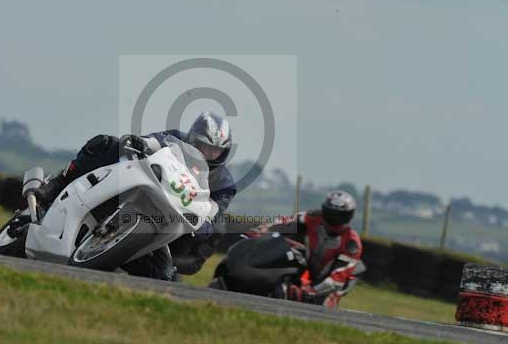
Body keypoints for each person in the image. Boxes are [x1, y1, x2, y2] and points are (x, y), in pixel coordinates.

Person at [34, 111, 237, 280]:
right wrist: (139, 143)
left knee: (165, 276)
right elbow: (152, 142)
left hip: (169, 223)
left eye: (215, 151)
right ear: (193, 138)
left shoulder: (225, 183)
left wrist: (205, 224)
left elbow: (215, 210)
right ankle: (56, 184)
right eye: (204, 146)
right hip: (146, 189)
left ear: (224, 152)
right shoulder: (176, 138)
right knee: (105, 143)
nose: (209, 153)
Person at [247, 190, 363, 308]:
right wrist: (262, 229)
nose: (332, 221)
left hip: (327, 286)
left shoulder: (351, 244)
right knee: (289, 250)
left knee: (321, 307)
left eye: (338, 217)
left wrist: (310, 290)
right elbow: (286, 221)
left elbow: (336, 280)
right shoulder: (312, 217)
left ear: (348, 216)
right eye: (330, 214)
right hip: (306, 267)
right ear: (324, 211)